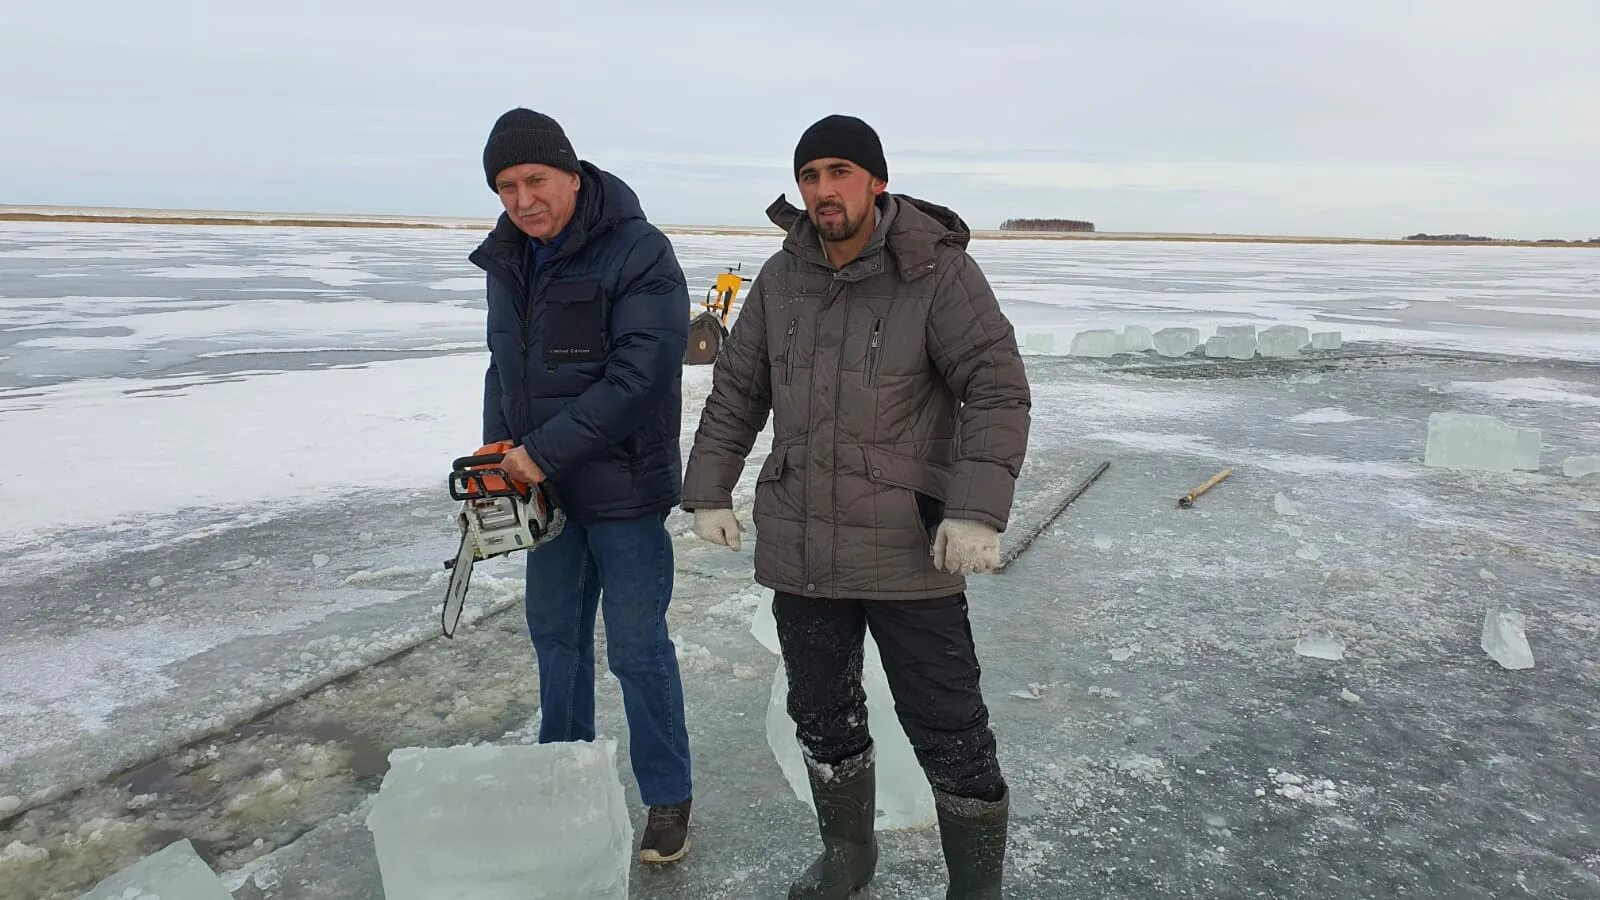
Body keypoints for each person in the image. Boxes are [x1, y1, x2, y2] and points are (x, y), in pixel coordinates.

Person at [682, 114, 1031, 899]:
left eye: (839, 172)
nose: (822, 191)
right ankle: (849, 855)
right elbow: (738, 392)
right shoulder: (781, 278)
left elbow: (998, 389)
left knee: (950, 728)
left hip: (908, 545)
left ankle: (976, 889)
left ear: (875, 181)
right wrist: (708, 490)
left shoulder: (936, 274)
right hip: (802, 544)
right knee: (823, 715)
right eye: (809, 176)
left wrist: (975, 510)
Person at [469, 108, 694, 864]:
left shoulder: (640, 250)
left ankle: (667, 797)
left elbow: (642, 376)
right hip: (548, 491)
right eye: (506, 187)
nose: (523, 200)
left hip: (625, 489)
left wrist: (539, 453)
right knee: (557, 640)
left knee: (636, 648)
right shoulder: (510, 260)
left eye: (535, 180)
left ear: (571, 171)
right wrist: (499, 449)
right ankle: (560, 773)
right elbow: (506, 365)